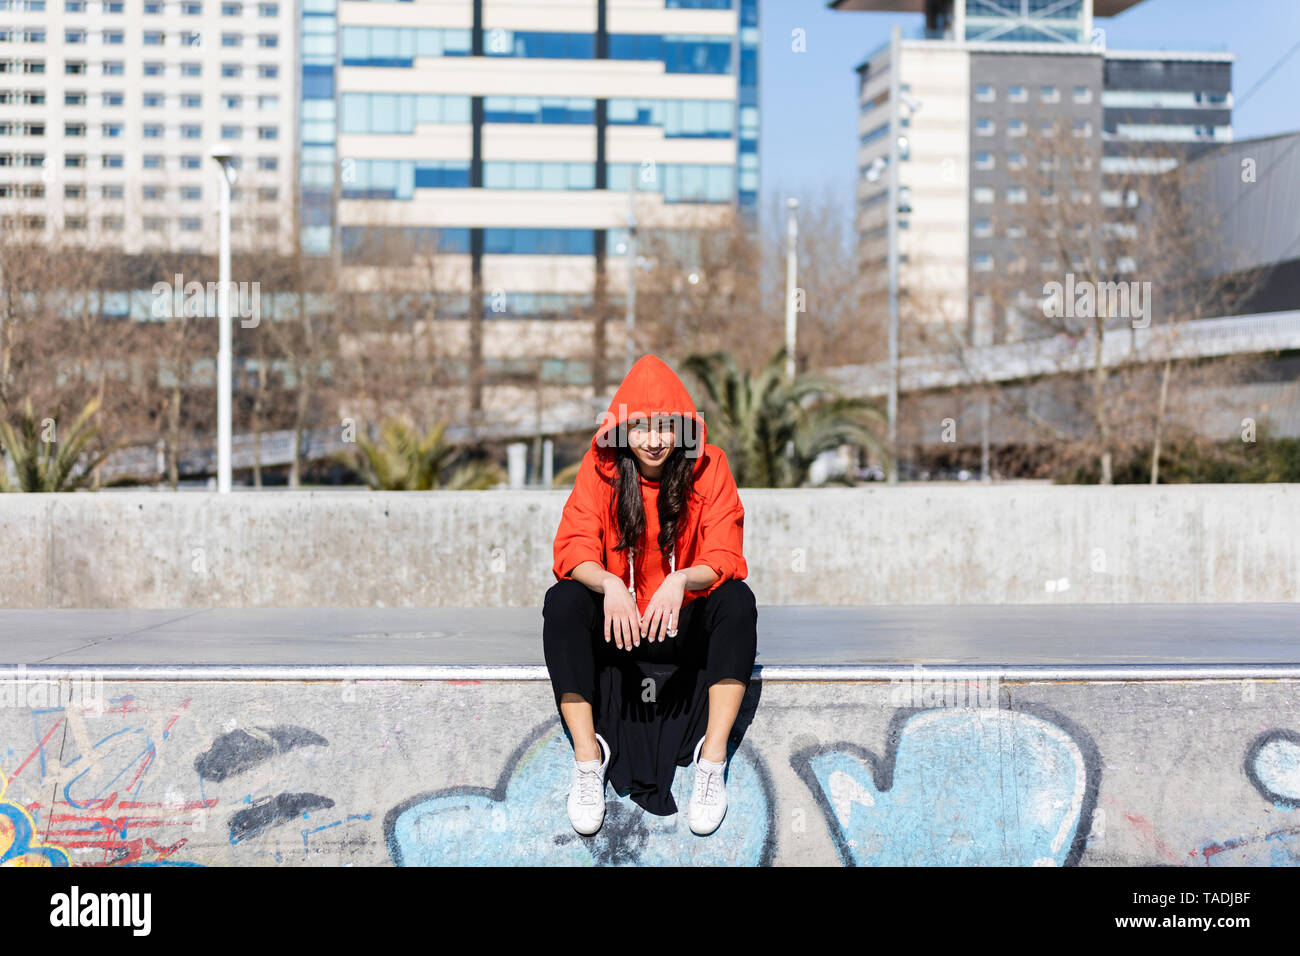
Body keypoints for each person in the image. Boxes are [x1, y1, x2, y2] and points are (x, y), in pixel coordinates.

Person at [542, 353, 758, 837]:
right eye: (640, 428)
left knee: (738, 602)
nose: (655, 440)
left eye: (666, 427)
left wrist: (681, 581)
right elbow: (572, 545)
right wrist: (609, 582)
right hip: (622, 633)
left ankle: (711, 762)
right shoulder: (600, 472)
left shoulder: (711, 467)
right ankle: (587, 759)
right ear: (621, 431)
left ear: (683, 428)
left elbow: (726, 552)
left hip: (684, 631)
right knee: (564, 601)